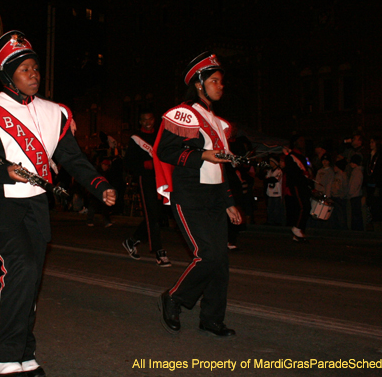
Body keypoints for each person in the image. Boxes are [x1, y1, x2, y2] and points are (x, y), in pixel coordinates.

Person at [0, 30, 116, 376]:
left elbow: (72, 158)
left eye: (36, 68)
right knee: (22, 268)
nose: (34, 75)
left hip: (36, 205)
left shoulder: (53, 112)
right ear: (7, 74)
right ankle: (4, 355)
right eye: (25, 69)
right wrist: (0, 170)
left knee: (31, 277)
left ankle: (24, 350)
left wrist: (100, 186)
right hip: (0, 202)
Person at [154, 51, 242, 339]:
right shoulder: (182, 114)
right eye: (214, 80)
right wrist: (201, 154)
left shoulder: (218, 123)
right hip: (190, 194)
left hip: (215, 198)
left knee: (221, 261)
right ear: (200, 83)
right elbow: (164, 151)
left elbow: (222, 168)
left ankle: (212, 319)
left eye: (222, 81)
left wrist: (229, 202)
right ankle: (175, 298)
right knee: (208, 255)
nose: (221, 86)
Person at [122, 110, 171, 266]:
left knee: (156, 215)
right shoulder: (135, 139)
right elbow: (128, 162)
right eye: (144, 120)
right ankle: (159, 251)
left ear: (154, 120)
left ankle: (131, 241)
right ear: (140, 122)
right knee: (152, 215)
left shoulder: (160, 135)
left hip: (161, 179)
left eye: (150, 119)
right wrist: (145, 165)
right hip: (146, 179)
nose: (147, 122)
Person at [285, 134, 314, 241]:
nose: (303, 143)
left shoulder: (302, 156)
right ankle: (297, 228)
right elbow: (292, 173)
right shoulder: (290, 157)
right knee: (303, 206)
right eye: (300, 140)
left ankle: (299, 231)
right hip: (296, 185)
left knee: (304, 207)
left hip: (303, 185)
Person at [263, 155, 286, 226]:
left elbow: (275, 179)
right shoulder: (269, 171)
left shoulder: (279, 171)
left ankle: (277, 222)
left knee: (276, 208)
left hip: (277, 193)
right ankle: (270, 221)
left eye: (271, 162)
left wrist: (268, 179)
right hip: (269, 193)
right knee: (270, 208)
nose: (270, 163)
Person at [348, 155, 364, 231]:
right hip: (356, 194)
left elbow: (355, 184)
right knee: (356, 213)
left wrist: (350, 192)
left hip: (355, 195)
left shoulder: (356, 172)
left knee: (356, 213)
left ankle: (357, 229)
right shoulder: (357, 171)